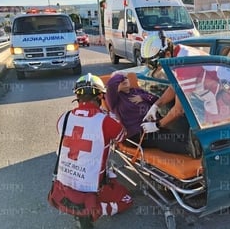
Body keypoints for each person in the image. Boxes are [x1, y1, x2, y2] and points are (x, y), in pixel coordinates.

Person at [54, 73, 133, 229]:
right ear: (100, 97)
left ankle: (80, 205)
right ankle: (92, 209)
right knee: (126, 199)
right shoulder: (106, 122)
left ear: (77, 96)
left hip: (64, 182)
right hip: (92, 185)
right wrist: (114, 119)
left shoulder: (64, 117)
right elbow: (121, 137)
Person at [139, 31, 213, 158]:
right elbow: (175, 86)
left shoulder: (184, 65)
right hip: (214, 94)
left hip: (224, 98)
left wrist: (157, 125)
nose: (159, 69)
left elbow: (179, 110)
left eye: (158, 65)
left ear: (167, 54)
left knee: (208, 144)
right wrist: (156, 105)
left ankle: (197, 151)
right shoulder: (179, 53)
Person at [105, 72, 159, 145]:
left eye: (126, 78)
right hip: (136, 133)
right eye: (120, 80)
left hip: (153, 125)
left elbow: (157, 100)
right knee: (169, 142)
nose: (124, 80)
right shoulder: (114, 99)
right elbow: (111, 85)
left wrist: (143, 97)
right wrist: (122, 76)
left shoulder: (137, 91)